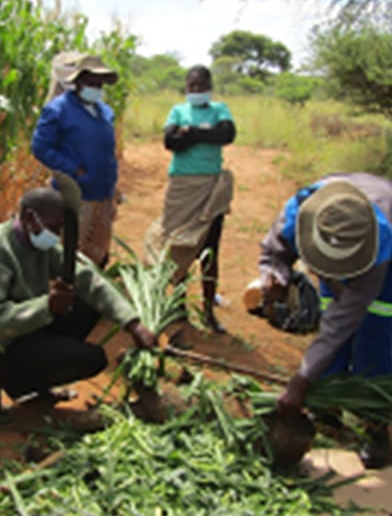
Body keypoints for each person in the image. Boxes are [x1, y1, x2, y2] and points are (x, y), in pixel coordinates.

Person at [0, 188, 159, 416]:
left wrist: (133, 324)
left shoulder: (41, 244)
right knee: (90, 358)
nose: (56, 235)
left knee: (87, 303)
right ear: (30, 218)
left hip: (24, 328)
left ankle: (36, 386)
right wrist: (47, 307)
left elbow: (89, 280)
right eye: (54, 228)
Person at [263, 174, 392, 468]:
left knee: (376, 330)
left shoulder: (382, 239)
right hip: (341, 247)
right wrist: (276, 277)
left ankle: (377, 425)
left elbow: (345, 319)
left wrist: (302, 377)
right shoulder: (299, 213)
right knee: (329, 306)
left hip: (384, 267)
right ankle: (326, 405)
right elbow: (273, 253)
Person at [148, 65, 236, 333]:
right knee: (178, 247)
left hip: (210, 187)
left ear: (210, 87)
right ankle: (178, 308)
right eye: (191, 87)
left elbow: (227, 134)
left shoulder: (220, 109)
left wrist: (192, 133)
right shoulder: (177, 111)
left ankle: (208, 311)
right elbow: (170, 142)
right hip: (181, 187)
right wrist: (203, 135)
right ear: (186, 88)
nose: (196, 91)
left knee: (210, 250)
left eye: (201, 86)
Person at [31, 54, 121, 267]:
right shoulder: (58, 110)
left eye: (99, 83)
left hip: (103, 195)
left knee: (98, 253)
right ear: (78, 82)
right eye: (90, 81)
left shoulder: (104, 112)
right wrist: (73, 169)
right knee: (70, 253)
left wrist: (113, 188)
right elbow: (41, 147)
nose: (95, 87)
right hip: (75, 195)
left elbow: (108, 151)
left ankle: (88, 297)